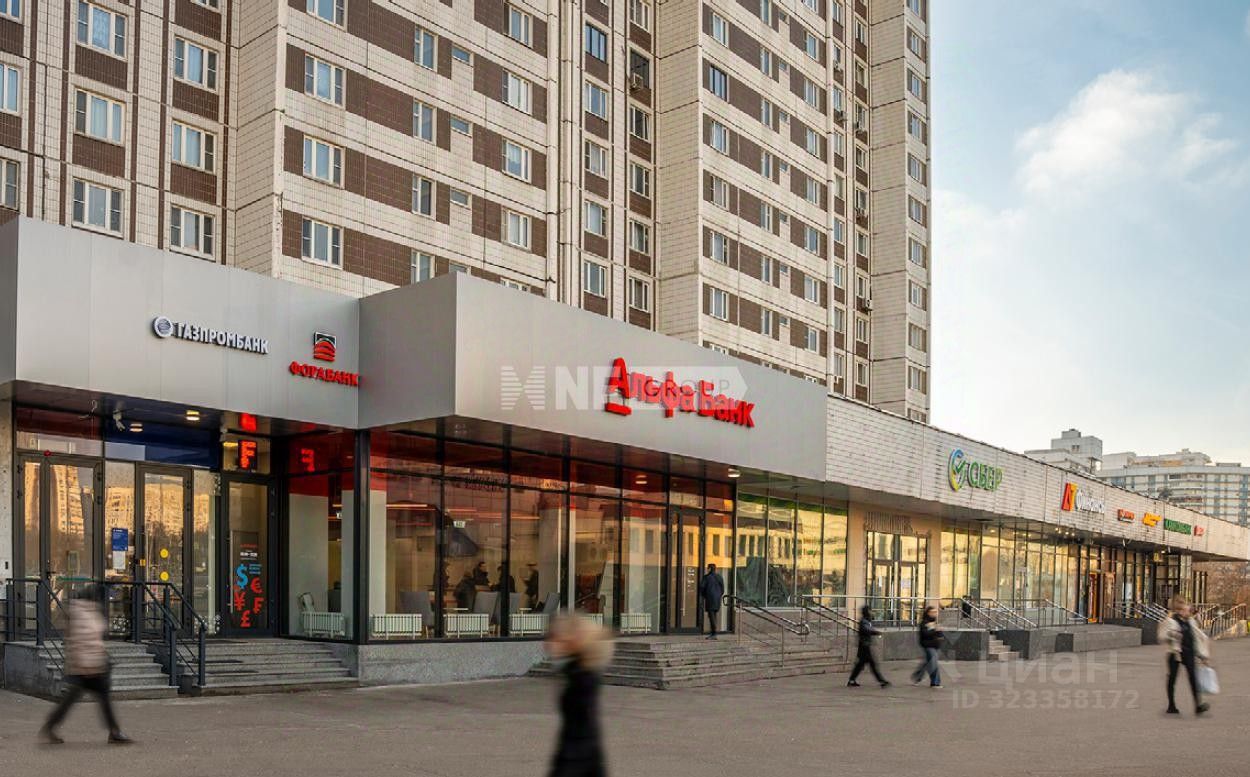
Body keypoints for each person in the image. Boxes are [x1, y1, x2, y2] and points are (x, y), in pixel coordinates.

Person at [39, 585, 132, 745]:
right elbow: (81, 640)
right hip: (88, 666)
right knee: (98, 697)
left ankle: (51, 726)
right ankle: (114, 731)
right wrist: (87, 666)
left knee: (76, 698)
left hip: (89, 664)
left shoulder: (86, 611)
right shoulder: (83, 613)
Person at [545, 615, 613, 777]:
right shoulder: (575, 671)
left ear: (574, 641)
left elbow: (582, 732)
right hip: (580, 759)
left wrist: (564, 769)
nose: (549, 643)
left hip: (577, 760)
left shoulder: (583, 679)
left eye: (557, 638)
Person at [1159, 596, 1210, 716]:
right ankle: (1171, 705)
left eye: (1187, 609)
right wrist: (1172, 635)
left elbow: (1197, 638)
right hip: (1175, 653)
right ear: (1179, 610)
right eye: (1185, 609)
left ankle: (1198, 706)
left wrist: (1202, 656)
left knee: (1193, 678)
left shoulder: (1190, 621)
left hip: (1189, 653)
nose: (1188, 611)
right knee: (1172, 679)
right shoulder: (1170, 621)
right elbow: (1162, 636)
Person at [847, 605, 889, 688]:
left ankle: (852, 680)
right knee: (872, 665)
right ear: (867, 612)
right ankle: (882, 681)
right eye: (870, 610)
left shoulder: (866, 620)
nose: (871, 612)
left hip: (864, 645)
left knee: (860, 665)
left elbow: (868, 629)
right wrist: (876, 632)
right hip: (864, 646)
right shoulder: (864, 621)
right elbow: (867, 630)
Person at [911, 605, 944, 687]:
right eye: (933, 612)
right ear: (928, 613)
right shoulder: (924, 623)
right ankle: (935, 683)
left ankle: (917, 677)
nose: (935, 614)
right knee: (933, 664)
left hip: (935, 645)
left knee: (926, 663)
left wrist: (940, 633)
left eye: (935, 612)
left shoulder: (934, 622)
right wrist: (934, 630)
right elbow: (925, 634)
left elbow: (938, 633)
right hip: (928, 645)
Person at [697, 563, 725, 639]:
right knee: (714, 615)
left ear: (709, 569)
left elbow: (701, 587)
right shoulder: (719, 577)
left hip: (710, 598)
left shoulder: (706, 577)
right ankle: (713, 632)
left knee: (712, 616)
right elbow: (722, 589)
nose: (707, 569)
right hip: (717, 599)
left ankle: (714, 633)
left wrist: (704, 596)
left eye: (708, 568)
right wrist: (718, 595)